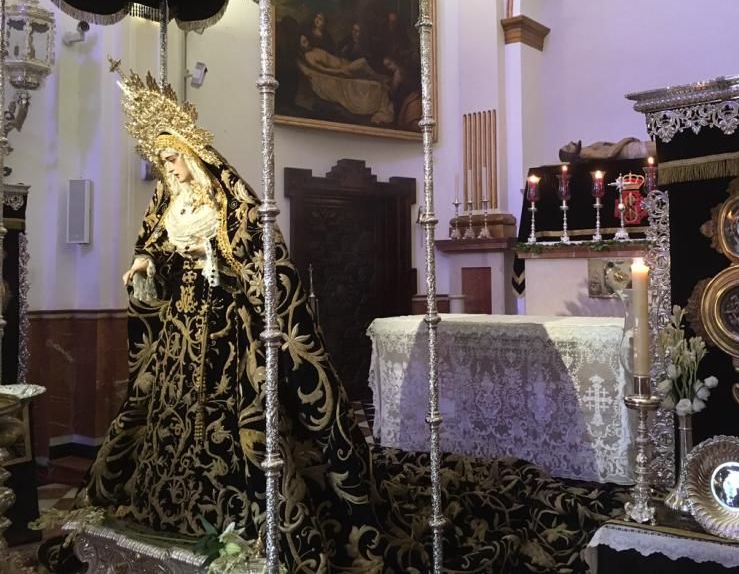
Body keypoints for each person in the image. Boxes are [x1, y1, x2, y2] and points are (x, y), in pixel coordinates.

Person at [41, 62, 632, 573]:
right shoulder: (164, 205)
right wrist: (146, 265)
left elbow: (266, 264)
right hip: (179, 343)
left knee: (245, 431)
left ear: (195, 154)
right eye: (161, 160)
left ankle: (241, 524)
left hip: (226, 342)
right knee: (156, 419)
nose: (169, 168)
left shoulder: (231, 203)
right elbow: (154, 254)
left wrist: (214, 258)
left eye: (175, 157)